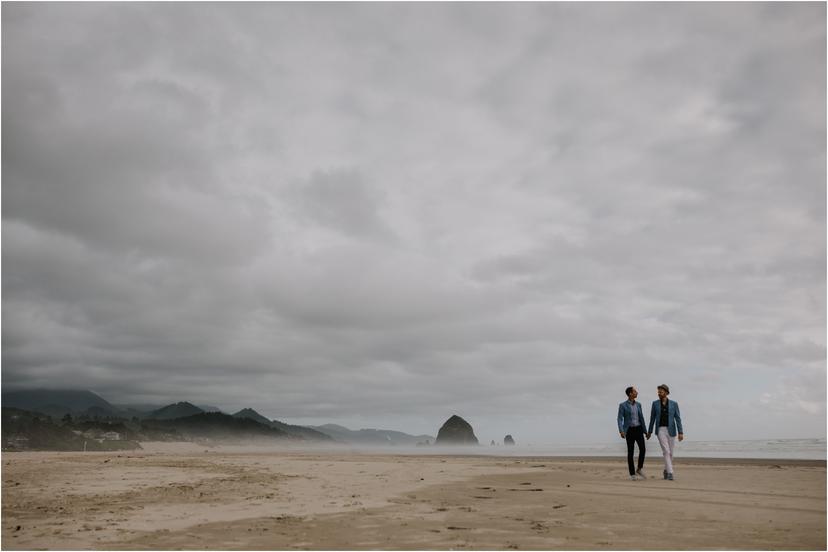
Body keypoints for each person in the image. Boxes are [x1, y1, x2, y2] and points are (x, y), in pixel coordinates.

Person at [646, 384, 683, 480]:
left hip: (671, 430)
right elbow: (652, 418)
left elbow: (678, 418)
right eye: (658, 392)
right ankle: (670, 473)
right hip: (660, 430)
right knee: (666, 451)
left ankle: (666, 470)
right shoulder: (654, 404)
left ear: (666, 393)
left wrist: (680, 432)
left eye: (661, 392)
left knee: (671, 453)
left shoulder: (674, 404)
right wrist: (649, 431)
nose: (659, 393)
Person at [617, 386, 647, 480]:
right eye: (635, 391)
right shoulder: (623, 405)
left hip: (638, 429)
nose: (637, 392)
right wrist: (621, 430)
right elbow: (619, 418)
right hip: (629, 430)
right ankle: (632, 474)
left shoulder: (639, 404)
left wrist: (645, 431)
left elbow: (641, 418)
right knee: (631, 452)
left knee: (643, 449)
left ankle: (639, 468)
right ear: (630, 393)